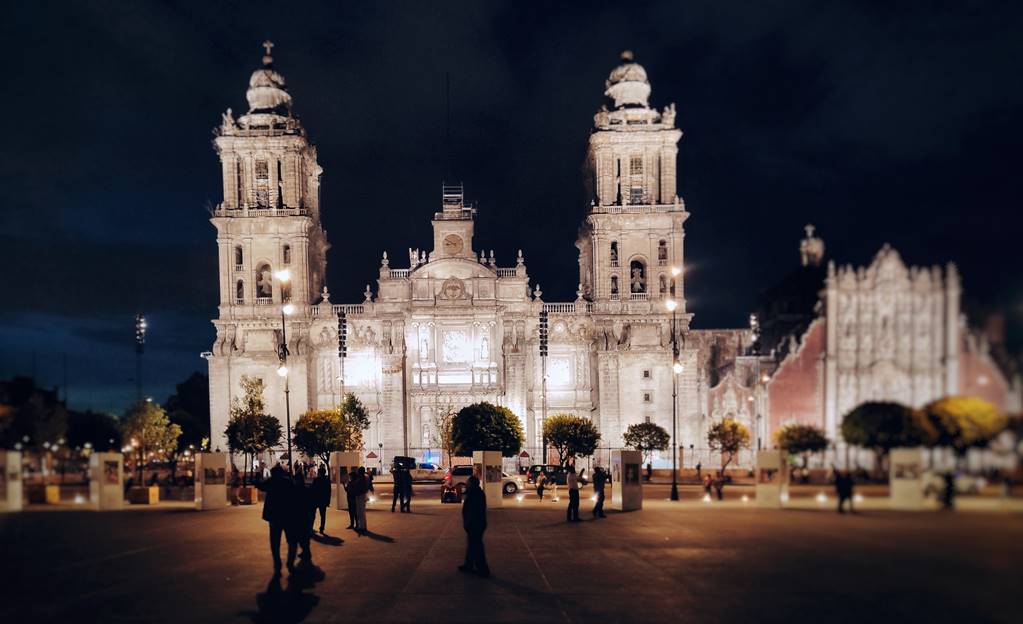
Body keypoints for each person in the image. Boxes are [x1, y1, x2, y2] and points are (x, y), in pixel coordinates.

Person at [256, 464, 293, 574]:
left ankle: (277, 563)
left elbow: (260, 485)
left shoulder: (271, 482)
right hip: (287, 515)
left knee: (275, 542)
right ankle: (290, 563)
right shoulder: (287, 482)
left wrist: (257, 475)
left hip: (274, 516)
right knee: (291, 540)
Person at [459, 475, 490, 577]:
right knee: (472, 545)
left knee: (476, 546)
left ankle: (482, 569)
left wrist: (468, 523)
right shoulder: (476, 493)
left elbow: (473, 511)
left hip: (475, 524)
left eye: (468, 483)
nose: (466, 484)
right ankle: (469, 564)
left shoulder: (475, 494)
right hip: (475, 523)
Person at [288, 472, 314, 568]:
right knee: (304, 539)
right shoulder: (306, 490)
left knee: (298, 540)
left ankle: (302, 556)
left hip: (297, 518)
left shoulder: (293, 491)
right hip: (303, 517)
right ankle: (306, 554)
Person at [311, 465, 331, 533]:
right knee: (323, 515)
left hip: (316, 499)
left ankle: (311, 527)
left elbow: (312, 489)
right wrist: (328, 501)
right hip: (323, 500)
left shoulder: (316, 480)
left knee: (313, 514)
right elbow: (329, 491)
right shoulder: (327, 480)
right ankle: (322, 528)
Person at [352, 466, 370, 534]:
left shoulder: (362, 478)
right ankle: (362, 526)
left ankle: (362, 527)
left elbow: (360, 486)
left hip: (360, 495)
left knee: (360, 512)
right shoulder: (365, 477)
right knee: (360, 512)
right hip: (361, 495)